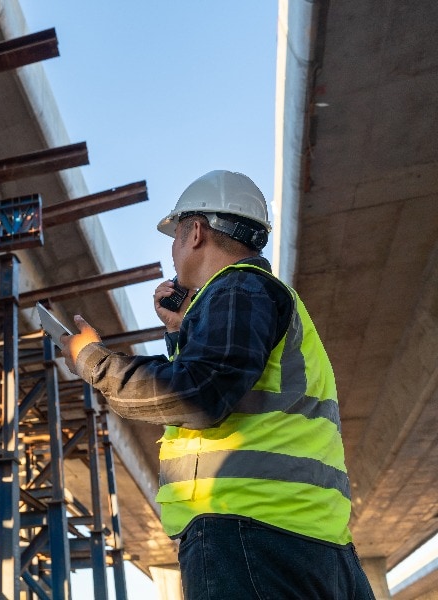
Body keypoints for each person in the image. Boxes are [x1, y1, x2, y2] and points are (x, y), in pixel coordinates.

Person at [61, 170, 375, 599]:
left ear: (196, 232)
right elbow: (223, 384)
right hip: (313, 540)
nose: (172, 251)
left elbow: (200, 394)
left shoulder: (239, 287)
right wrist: (180, 332)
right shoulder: (259, 295)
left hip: (248, 534)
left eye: (174, 236)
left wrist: (93, 362)